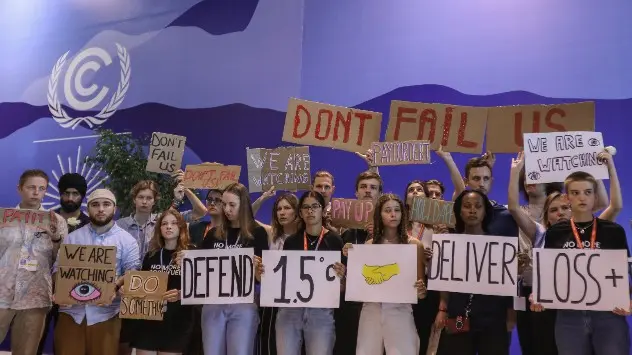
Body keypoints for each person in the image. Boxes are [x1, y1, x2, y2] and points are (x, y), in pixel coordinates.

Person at [532, 171, 631, 355]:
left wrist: (629, 299)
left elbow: (626, 269)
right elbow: (549, 273)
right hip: (569, 316)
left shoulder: (614, 231)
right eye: (575, 193)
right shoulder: (556, 233)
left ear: (595, 196)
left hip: (609, 314)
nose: (582, 198)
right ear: (567, 197)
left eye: (587, 192)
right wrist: (538, 294)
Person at [257, 191, 345, 355]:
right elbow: (284, 276)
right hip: (291, 310)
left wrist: (342, 275)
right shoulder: (292, 241)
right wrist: (264, 272)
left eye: (315, 206)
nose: (310, 211)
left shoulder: (334, 240)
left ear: (322, 209)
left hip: (321, 311)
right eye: (305, 207)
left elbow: (343, 284)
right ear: (301, 212)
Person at [53, 188, 140, 355]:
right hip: (71, 313)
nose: (101, 209)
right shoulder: (73, 237)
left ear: (114, 209)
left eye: (106, 204)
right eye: (95, 205)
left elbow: (132, 271)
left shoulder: (127, 240)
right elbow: (58, 269)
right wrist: (59, 290)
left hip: (106, 314)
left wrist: (115, 286)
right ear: (88, 209)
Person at [347, 193, 426, 355]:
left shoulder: (414, 245)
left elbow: (420, 292)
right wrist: (351, 255)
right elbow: (360, 284)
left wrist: (421, 290)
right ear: (379, 215)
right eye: (388, 210)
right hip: (371, 310)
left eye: (397, 210)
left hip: (400, 310)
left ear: (402, 214)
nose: (393, 214)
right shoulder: (369, 245)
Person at [436, 190, 513, 355]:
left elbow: (507, 286)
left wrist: (511, 314)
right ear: (459, 211)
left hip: (493, 319)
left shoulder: (499, 245)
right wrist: (443, 309)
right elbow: (444, 281)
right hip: (458, 316)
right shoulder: (449, 243)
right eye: (467, 206)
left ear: (485, 211)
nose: (472, 210)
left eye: (478, 206)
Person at [0, 169, 67, 355]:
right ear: (19, 188)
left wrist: (55, 239)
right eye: (31, 187)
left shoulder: (57, 221)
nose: (36, 192)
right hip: (2, 292)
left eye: (41, 188)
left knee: (26, 352)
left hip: (35, 297)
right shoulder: (3, 218)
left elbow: (61, 260)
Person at [198, 183, 269, 355]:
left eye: (232, 205)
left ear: (243, 206)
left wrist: (258, 269)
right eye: (224, 204)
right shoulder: (213, 233)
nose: (227, 209)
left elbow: (263, 277)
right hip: (213, 303)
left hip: (243, 303)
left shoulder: (257, 233)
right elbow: (199, 269)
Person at [127, 209, 193, 355]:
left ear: (181, 227)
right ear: (159, 228)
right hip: (149, 321)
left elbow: (202, 287)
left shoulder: (191, 254)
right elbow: (140, 288)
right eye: (164, 224)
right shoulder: (151, 255)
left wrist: (182, 294)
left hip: (177, 321)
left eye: (173, 223)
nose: (168, 227)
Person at [37, 172, 90, 355]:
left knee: (66, 340)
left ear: (82, 196)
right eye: (66, 193)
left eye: (75, 194)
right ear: (60, 194)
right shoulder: (46, 220)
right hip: (41, 287)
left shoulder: (90, 225)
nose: (69, 198)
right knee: (36, 336)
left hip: (73, 290)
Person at [335, 171, 383, 355]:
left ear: (379, 194)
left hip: (379, 305)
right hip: (351, 305)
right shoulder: (346, 232)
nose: (368, 191)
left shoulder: (390, 230)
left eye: (373, 188)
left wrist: (375, 235)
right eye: (363, 187)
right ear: (356, 193)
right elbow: (341, 272)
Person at [255, 193, 301, 355]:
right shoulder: (271, 233)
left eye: (287, 208)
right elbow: (247, 216)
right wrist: (263, 198)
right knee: (269, 342)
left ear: (297, 211)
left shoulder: (305, 237)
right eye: (278, 209)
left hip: (298, 300)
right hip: (273, 299)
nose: (282, 212)